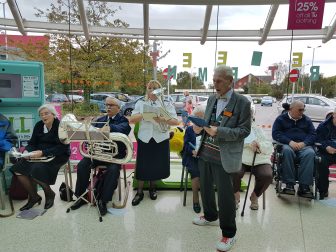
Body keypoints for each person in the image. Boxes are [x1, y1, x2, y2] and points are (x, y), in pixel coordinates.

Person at [192, 65, 251, 252]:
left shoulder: (242, 102)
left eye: (219, 81)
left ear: (230, 81)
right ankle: (210, 216)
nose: (214, 84)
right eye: (214, 80)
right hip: (206, 152)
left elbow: (244, 131)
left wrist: (220, 131)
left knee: (225, 197)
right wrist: (201, 127)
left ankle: (229, 234)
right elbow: (209, 123)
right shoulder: (211, 99)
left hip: (225, 157)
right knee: (206, 188)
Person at [70, 97, 131, 216]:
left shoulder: (123, 120)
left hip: (114, 155)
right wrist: (88, 129)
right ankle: (80, 197)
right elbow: (89, 135)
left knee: (113, 170)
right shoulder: (100, 119)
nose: (108, 107)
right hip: (97, 154)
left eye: (111, 105)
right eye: (107, 104)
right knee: (82, 165)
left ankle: (103, 200)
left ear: (118, 108)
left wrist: (110, 128)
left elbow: (123, 130)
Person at [128, 80, 179, 206]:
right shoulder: (141, 103)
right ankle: (139, 192)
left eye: (155, 88)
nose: (152, 91)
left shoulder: (166, 104)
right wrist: (145, 115)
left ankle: (152, 188)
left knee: (156, 164)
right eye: (150, 88)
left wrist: (161, 118)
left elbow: (175, 121)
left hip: (160, 137)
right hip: (145, 138)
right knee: (142, 165)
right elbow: (132, 119)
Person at [11, 104, 70, 210]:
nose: (43, 117)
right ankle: (34, 197)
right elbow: (32, 142)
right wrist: (27, 151)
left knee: (36, 169)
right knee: (18, 169)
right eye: (41, 115)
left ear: (53, 114)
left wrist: (43, 152)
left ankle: (49, 194)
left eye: (46, 113)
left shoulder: (61, 126)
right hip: (38, 154)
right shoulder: (39, 125)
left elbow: (63, 148)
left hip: (58, 155)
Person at [272, 100, 316, 197]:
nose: (302, 112)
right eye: (300, 110)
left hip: (303, 145)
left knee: (310, 153)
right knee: (287, 151)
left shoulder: (306, 120)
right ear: (291, 109)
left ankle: (304, 186)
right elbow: (276, 134)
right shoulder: (281, 119)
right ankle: (289, 185)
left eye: (303, 110)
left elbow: (313, 134)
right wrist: (289, 142)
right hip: (288, 145)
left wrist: (304, 143)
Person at [232, 119, 273, 210]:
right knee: (233, 171)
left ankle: (255, 195)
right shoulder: (235, 129)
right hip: (240, 157)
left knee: (267, 175)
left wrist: (259, 145)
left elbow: (269, 145)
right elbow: (231, 143)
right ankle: (235, 195)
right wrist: (248, 144)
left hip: (259, 159)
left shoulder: (258, 130)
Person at [182, 106, 205, 213]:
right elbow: (186, 145)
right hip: (190, 156)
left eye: (202, 117)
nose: (199, 118)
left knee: (209, 170)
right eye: (197, 116)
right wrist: (192, 151)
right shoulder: (189, 130)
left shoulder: (207, 130)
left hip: (204, 157)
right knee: (195, 172)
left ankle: (207, 199)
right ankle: (196, 199)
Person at [315, 108, 336, 199]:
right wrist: (326, 147)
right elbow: (317, 139)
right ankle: (323, 191)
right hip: (326, 152)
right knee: (321, 162)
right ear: (334, 115)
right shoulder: (323, 125)